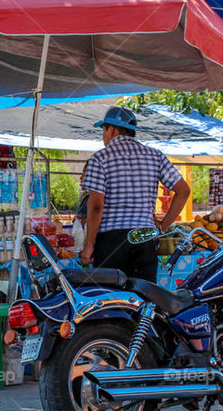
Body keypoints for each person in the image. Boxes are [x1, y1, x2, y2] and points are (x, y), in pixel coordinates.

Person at [80, 106, 191, 282]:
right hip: (145, 238)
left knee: (111, 298)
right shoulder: (155, 156)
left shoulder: (100, 158)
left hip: (111, 240)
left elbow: (95, 206)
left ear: (111, 129)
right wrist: (163, 226)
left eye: (103, 130)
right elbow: (183, 191)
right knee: (144, 298)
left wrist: (89, 245)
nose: (103, 135)